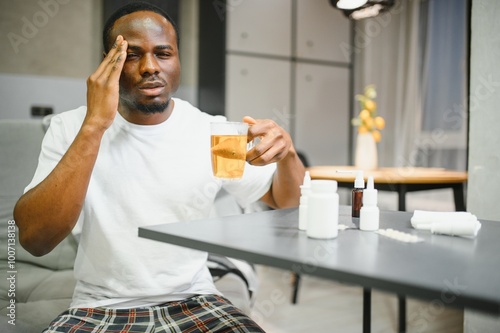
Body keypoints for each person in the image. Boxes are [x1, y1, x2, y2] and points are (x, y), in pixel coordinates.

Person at [13, 2, 305, 332]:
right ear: (108, 64)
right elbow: (35, 239)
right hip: (100, 307)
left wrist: (289, 155)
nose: (151, 66)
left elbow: (290, 203)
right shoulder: (70, 127)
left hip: (195, 299)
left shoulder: (214, 131)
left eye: (163, 53)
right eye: (132, 55)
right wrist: (95, 125)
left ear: (178, 59)